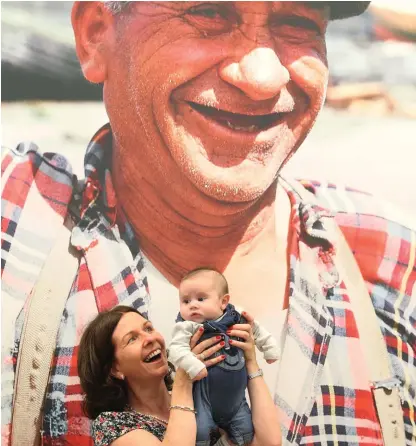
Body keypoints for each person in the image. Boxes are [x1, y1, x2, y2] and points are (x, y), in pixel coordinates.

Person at [1, 1, 415, 445]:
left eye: (296, 24)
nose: (262, 78)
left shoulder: (389, 265)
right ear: (95, 36)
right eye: (209, 13)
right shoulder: (20, 228)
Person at [77, 305, 281, 446]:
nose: (150, 338)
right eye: (132, 339)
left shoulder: (199, 393)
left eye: (148, 328)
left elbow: (268, 442)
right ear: (114, 369)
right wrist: (184, 380)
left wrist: (250, 362)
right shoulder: (112, 425)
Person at [169, 268, 279, 445]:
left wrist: (269, 348)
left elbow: (257, 331)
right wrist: (192, 365)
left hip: (236, 400)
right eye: (185, 301)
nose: (192, 305)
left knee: (245, 432)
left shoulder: (236, 316)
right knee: (201, 432)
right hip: (203, 398)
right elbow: (176, 349)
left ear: (223, 301)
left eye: (201, 298)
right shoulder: (186, 327)